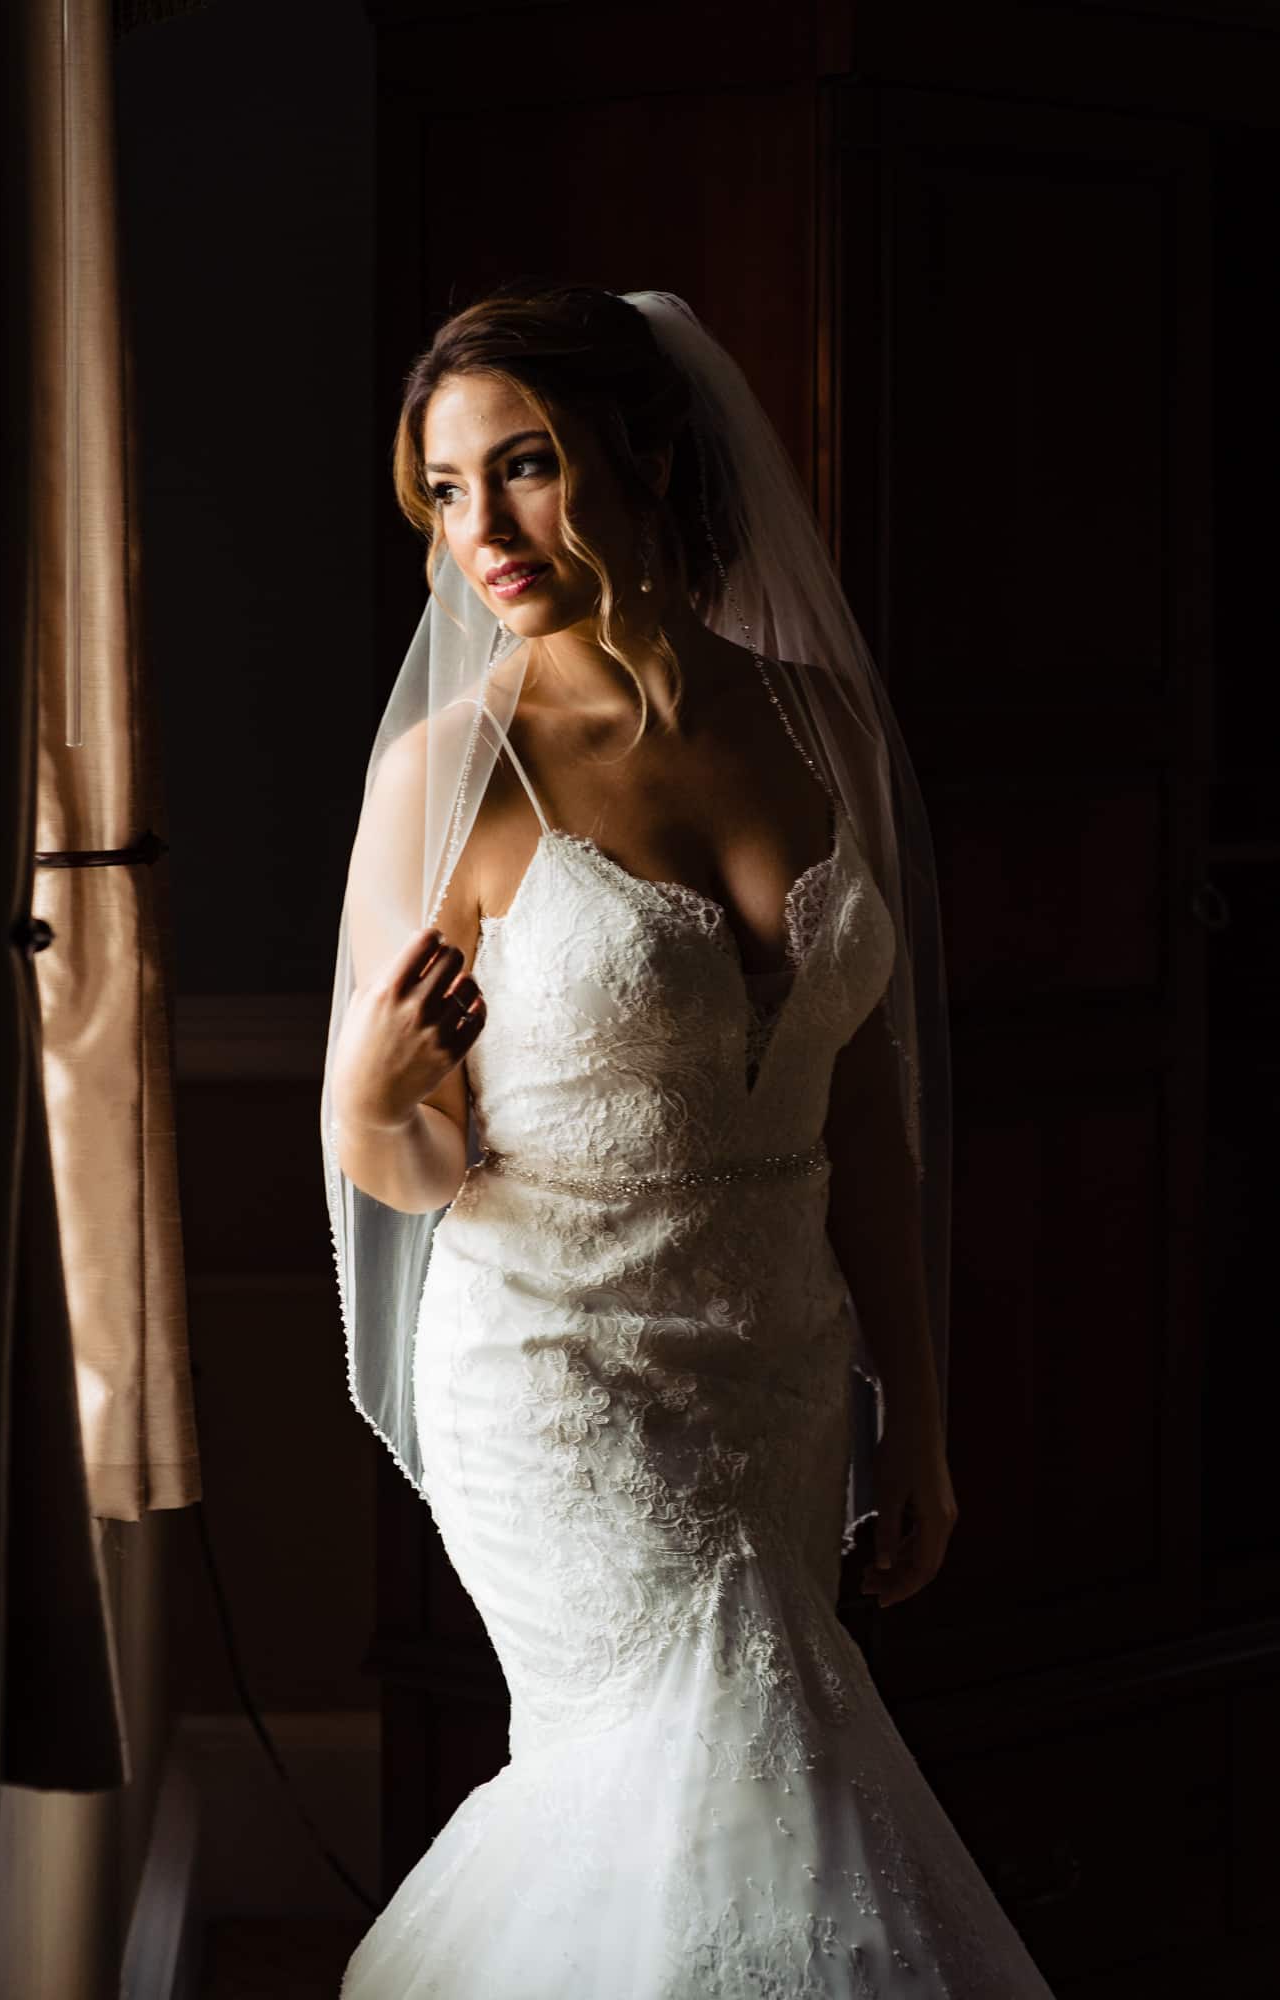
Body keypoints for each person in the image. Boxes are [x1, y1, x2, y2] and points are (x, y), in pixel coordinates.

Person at [321, 284, 1055, 1997]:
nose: (483, 527)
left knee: (716, 1820)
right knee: (718, 1763)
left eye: (527, 466)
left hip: (780, 1371)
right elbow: (424, 1167)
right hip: (559, 1374)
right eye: (445, 488)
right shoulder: (452, 772)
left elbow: (862, 1114)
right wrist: (368, 1102)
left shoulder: (819, 725)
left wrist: (916, 1422)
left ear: (643, 456)